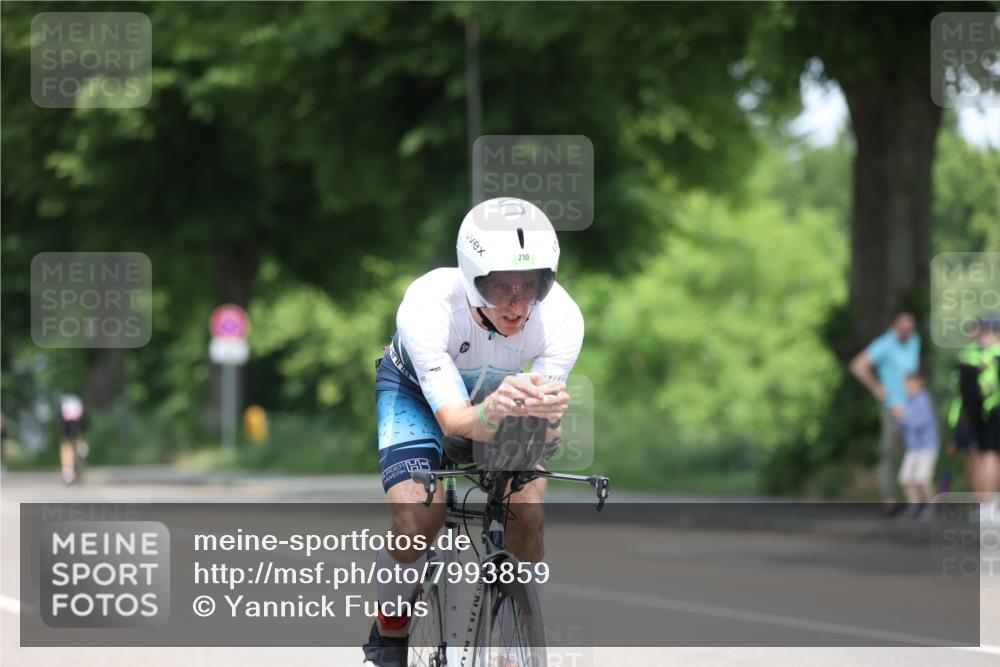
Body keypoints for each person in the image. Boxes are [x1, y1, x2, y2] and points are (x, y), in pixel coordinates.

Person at [362, 197, 583, 666]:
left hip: (503, 400)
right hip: (417, 395)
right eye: (501, 286)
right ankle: (390, 634)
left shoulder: (561, 318)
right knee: (418, 518)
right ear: (471, 276)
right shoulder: (429, 304)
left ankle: (514, 652)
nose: (518, 304)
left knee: (526, 512)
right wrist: (495, 411)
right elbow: (455, 422)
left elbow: (542, 433)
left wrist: (549, 419)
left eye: (531, 285)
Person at [849, 311, 920, 516]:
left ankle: (914, 499)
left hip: (914, 405)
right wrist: (878, 389)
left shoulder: (915, 341)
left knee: (916, 451)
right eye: (903, 329)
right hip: (894, 406)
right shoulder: (885, 344)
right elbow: (858, 366)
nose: (907, 333)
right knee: (891, 451)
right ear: (894, 327)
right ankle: (890, 499)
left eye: (910, 329)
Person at [896, 372, 940, 518]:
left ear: (919, 384)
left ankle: (932, 507)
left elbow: (919, 423)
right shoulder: (907, 402)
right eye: (906, 385)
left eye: (909, 385)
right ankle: (914, 506)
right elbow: (902, 425)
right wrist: (899, 418)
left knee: (923, 478)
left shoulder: (923, 401)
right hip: (913, 448)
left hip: (927, 447)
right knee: (905, 478)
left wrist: (902, 417)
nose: (907, 388)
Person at [58, 393, 88, 485]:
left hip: (68, 419)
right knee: (78, 437)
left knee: (66, 444)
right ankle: (82, 448)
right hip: (79, 418)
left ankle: (67, 471)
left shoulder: (64, 407)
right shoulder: (78, 405)